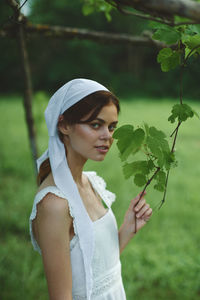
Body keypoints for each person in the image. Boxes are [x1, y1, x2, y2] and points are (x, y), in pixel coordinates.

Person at [29, 78, 152, 300]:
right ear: (64, 125)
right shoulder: (54, 204)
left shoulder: (91, 182)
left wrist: (127, 230)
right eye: (96, 124)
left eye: (111, 126)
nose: (108, 136)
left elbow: (96, 271)